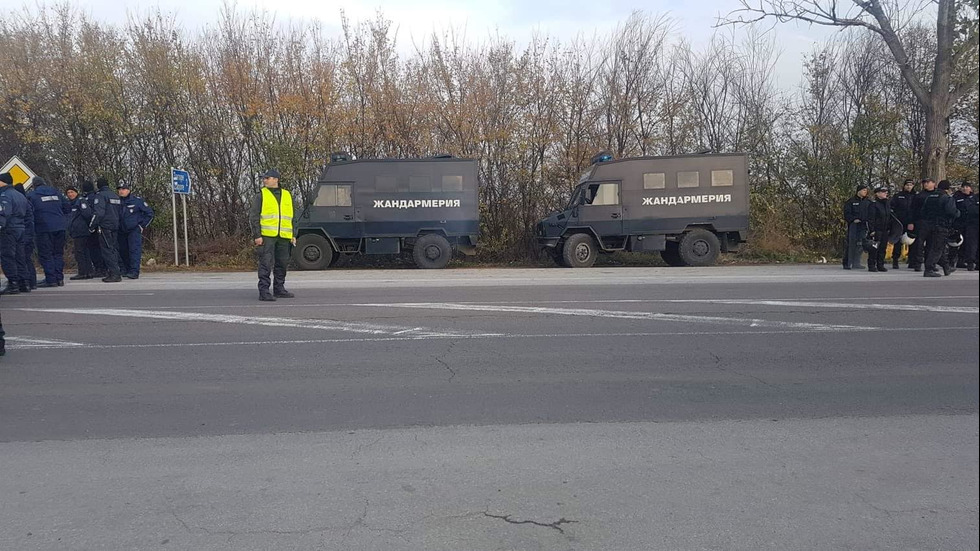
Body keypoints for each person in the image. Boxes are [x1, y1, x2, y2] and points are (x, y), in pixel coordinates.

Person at [249, 169, 296, 301]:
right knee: (266, 264)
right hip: (267, 236)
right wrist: (257, 235)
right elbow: (254, 216)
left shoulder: (287, 195)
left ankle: (279, 289)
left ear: (276, 179)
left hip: (285, 236)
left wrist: (294, 234)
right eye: (264, 178)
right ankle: (264, 291)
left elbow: (293, 216)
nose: (264, 180)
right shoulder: (261, 195)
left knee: (282, 263)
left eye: (267, 178)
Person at [910, 179, 959, 277]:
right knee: (937, 248)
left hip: (928, 225)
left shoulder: (930, 197)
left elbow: (923, 211)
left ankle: (946, 267)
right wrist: (958, 213)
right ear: (947, 189)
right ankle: (929, 269)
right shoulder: (946, 198)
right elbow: (952, 212)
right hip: (941, 225)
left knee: (935, 247)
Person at [27, 177, 69, 287]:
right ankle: (59, 278)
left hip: (43, 228)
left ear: (34, 185)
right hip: (60, 227)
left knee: (46, 254)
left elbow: (28, 212)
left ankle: (51, 280)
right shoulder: (57, 193)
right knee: (58, 253)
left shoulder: (32, 195)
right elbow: (67, 207)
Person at [117, 181, 154, 279]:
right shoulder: (116, 201)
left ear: (128, 190)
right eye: (119, 189)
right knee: (123, 250)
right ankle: (125, 270)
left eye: (123, 189)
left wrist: (141, 226)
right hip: (121, 230)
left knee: (134, 250)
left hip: (133, 230)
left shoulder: (137, 201)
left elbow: (149, 214)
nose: (121, 191)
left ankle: (134, 271)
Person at [0, 173, 30, 295]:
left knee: (7, 256)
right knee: (20, 256)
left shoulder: (4, 195)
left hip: (9, 229)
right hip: (20, 228)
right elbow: (28, 212)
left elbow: (4, 213)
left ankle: (13, 283)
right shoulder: (20, 195)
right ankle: (24, 282)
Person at [92, 177, 122, 282]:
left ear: (99, 186)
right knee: (113, 249)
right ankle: (116, 271)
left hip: (105, 226)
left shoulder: (100, 196)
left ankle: (114, 274)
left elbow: (98, 213)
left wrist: (92, 226)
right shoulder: (115, 195)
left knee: (107, 250)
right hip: (115, 225)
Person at [67, 182, 97, 280]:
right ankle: (88, 272)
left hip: (81, 231)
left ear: (76, 192)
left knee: (80, 252)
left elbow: (87, 214)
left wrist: (87, 226)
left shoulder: (80, 201)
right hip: (76, 231)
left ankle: (83, 272)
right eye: (68, 193)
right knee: (83, 251)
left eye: (72, 192)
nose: (70, 194)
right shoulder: (72, 203)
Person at [890, 178, 918, 269]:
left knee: (912, 242)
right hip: (899, 222)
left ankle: (912, 261)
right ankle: (895, 260)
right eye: (907, 185)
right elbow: (892, 207)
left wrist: (912, 222)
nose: (909, 187)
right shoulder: (898, 196)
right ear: (904, 186)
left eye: (910, 185)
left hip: (912, 223)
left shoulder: (916, 196)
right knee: (898, 242)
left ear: (913, 186)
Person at [13, 184, 37, 291]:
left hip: (23, 234)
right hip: (28, 233)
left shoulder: (19, 203)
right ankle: (32, 282)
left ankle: (26, 281)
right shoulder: (27, 202)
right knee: (27, 259)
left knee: (22, 259)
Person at [842, 184, 871, 270]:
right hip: (854, 226)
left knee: (860, 244)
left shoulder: (868, 202)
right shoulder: (850, 201)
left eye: (866, 190)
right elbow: (846, 214)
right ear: (859, 191)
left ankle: (856, 263)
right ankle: (847, 263)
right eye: (863, 190)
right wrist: (853, 219)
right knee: (851, 244)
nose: (865, 192)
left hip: (863, 226)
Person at [950, 182, 977, 270]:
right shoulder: (956, 197)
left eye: (967, 187)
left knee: (967, 243)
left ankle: (961, 260)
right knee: (955, 243)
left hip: (969, 223)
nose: (965, 188)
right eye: (963, 187)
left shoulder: (973, 197)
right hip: (958, 223)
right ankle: (951, 261)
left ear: (970, 188)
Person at [867, 186, 891, 272]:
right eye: (883, 192)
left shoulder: (887, 204)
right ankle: (871, 265)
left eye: (886, 192)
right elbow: (871, 218)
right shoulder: (874, 204)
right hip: (877, 230)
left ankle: (880, 264)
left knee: (883, 248)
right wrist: (872, 230)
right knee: (874, 248)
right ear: (877, 194)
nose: (885, 193)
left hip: (885, 230)